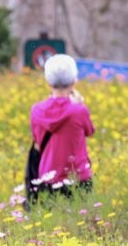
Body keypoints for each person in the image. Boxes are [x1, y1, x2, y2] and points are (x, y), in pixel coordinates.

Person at [28, 54, 95, 204]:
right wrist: (80, 104)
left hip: (47, 178)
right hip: (78, 178)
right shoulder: (78, 111)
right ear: (73, 81)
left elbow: (38, 141)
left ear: (48, 81)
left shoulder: (36, 110)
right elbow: (90, 131)